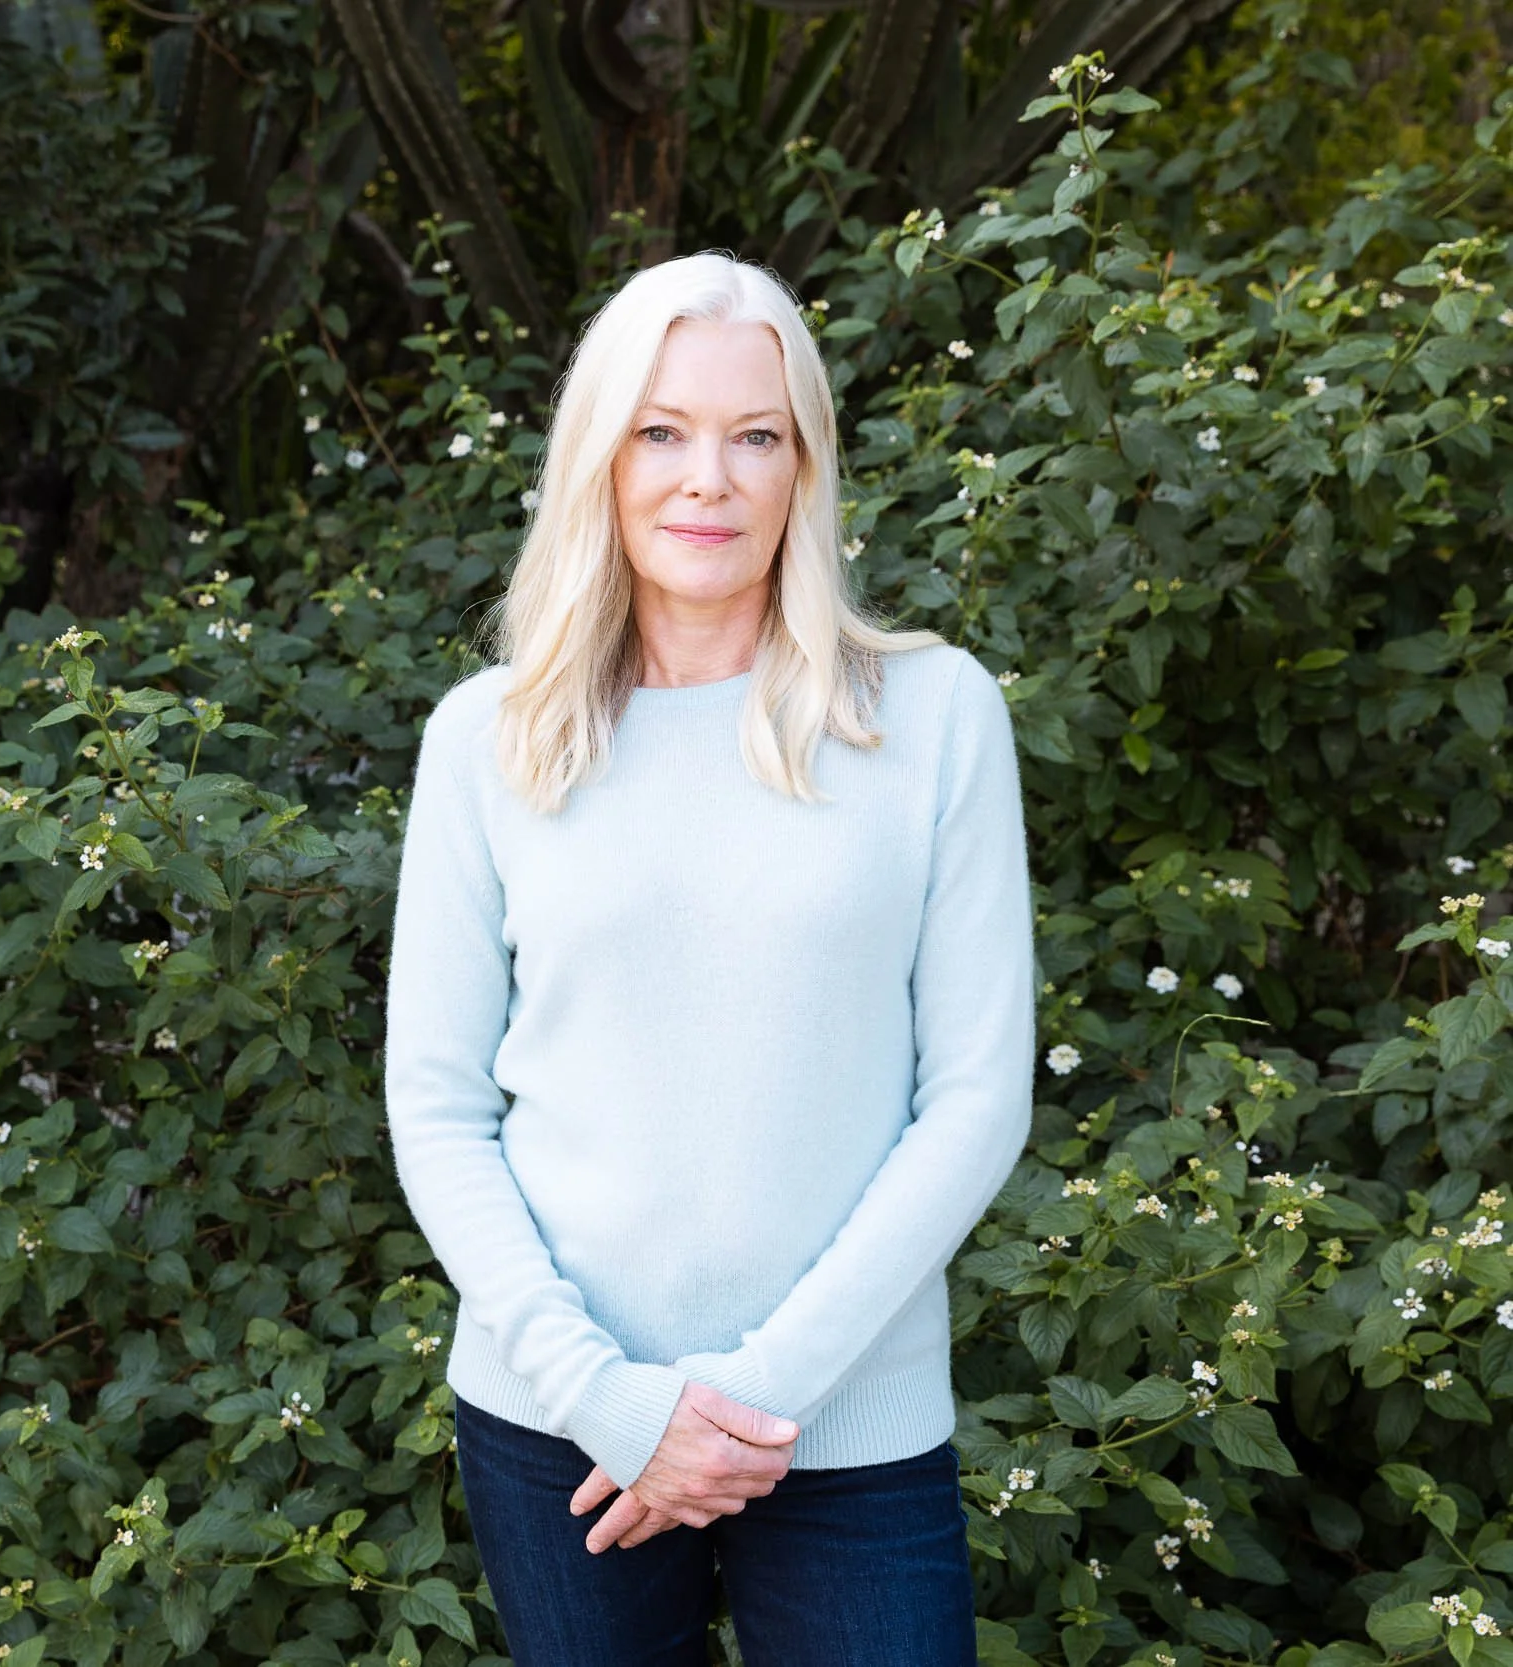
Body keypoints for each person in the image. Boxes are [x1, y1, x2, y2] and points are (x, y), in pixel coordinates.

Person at [381, 250, 1036, 1664]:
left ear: (805, 466)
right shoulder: (486, 741)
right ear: (600, 458)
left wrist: (753, 1400)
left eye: (756, 436)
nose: (709, 480)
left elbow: (978, 1096)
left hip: (850, 1427)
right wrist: (615, 1402)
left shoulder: (931, 716)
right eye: (662, 431)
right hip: (561, 1426)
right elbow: (437, 1108)